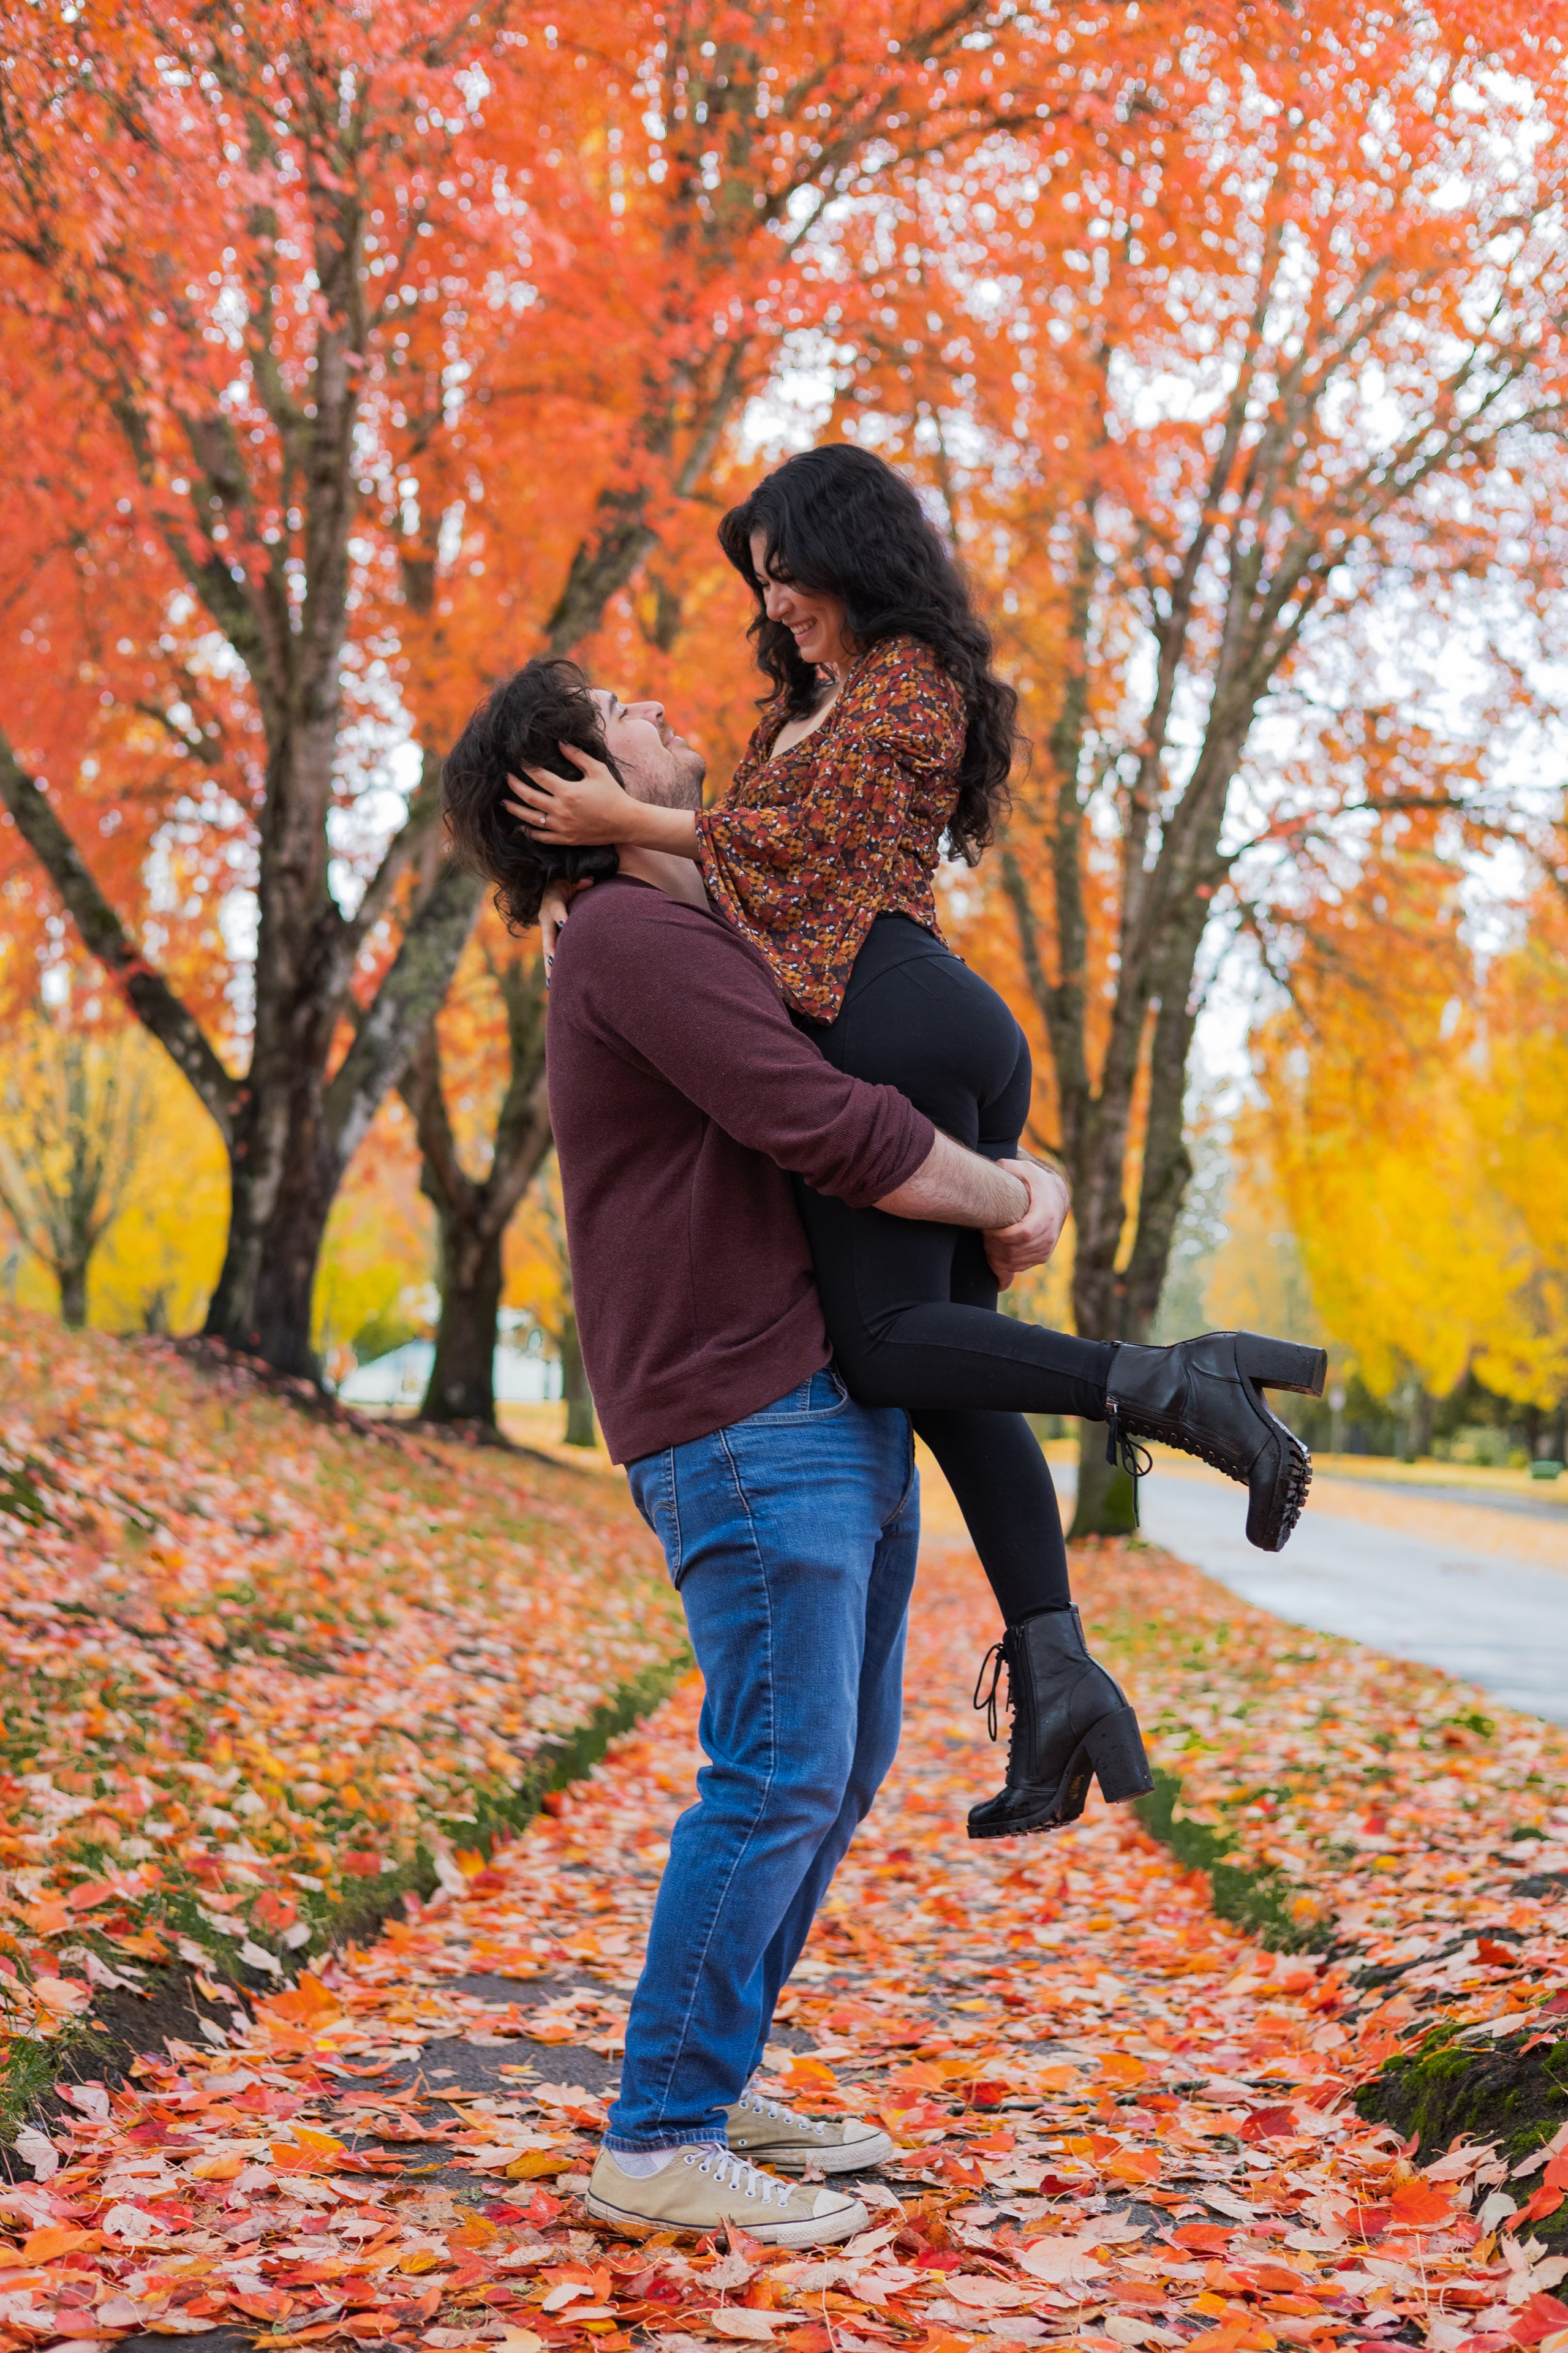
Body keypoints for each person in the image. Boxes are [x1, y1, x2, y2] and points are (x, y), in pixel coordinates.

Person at [507, 443, 1327, 1843]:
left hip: (903, 1022)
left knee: (883, 1344)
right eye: (762, 590)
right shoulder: (801, 715)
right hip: (901, 1023)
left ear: (851, 553)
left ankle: (1180, 1388)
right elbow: (737, 894)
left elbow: (801, 853)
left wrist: (615, 823)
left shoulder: (914, 684)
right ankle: (1059, 1673)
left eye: (788, 577)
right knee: (948, 1376)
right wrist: (577, 897)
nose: (776, 610)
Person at [442, 660, 1073, 2245]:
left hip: (814, 1394)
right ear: (570, 779)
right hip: (743, 1411)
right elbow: (826, 1121)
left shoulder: (705, 919)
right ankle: (657, 2135)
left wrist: (1019, 1164)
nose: (664, 707)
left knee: (836, 1764)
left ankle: (706, 2087)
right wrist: (1012, 1200)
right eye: (625, 706)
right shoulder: (634, 940)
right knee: (780, 1767)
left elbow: (880, 1080)